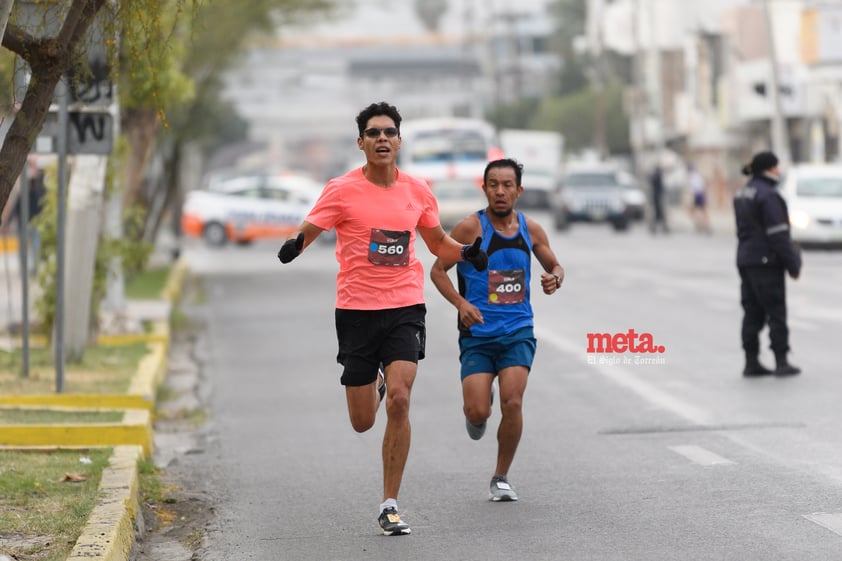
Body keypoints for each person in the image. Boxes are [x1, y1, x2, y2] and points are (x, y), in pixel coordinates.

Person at [276, 101, 489, 536]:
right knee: (362, 421)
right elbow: (309, 229)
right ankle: (371, 381)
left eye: (389, 132)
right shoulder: (340, 189)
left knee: (401, 398)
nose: (382, 139)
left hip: (404, 307)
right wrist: (293, 247)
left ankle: (390, 503)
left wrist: (466, 253)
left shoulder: (417, 190)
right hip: (355, 310)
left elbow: (438, 243)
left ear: (399, 140)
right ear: (361, 143)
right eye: (373, 133)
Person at [430, 158, 564, 502]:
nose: (500, 191)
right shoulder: (468, 229)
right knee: (477, 414)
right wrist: (461, 304)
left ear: (519, 190)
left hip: (517, 330)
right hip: (477, 336)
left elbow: (555, 265)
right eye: (494, 185)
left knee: (513, 401)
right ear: (485, 188)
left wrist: (554, 278)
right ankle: (479, 406)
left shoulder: (530, 230)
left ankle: (501, 476)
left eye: (507, 185)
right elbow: (437, 271)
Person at [733, 151, 801, 377]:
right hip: (766, 262)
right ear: (770, 169)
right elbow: (779, 234)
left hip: (745, 259)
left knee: (752, 312)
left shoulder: (742, 192)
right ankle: (781, 361)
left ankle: (750, 361)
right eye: (776, 167)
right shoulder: (769, 195)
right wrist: (793, 264)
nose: (779, 171)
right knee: (775, 312)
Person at [687, 163, 711, 234]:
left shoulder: (693, 177)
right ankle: (702, 224)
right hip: (699, 195)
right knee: (700, 211)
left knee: (697, 210)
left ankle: (703, 225)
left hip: (698, 195)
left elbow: (694, 188)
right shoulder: (696, 176)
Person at [649, 164, 669, 234]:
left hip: (656, 196)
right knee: (660, 214)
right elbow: (660, 187)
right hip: (658, 197)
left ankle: (657, 228)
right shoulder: (657, 176)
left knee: (658, 214)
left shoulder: (654, 176)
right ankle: (661, 228)